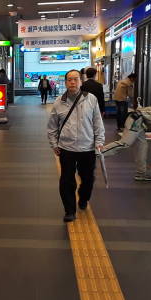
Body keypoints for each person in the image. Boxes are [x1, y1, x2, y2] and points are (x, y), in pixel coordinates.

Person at [47, 70, 105, 222]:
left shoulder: (91, 99)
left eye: (75, 79)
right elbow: (52, 126)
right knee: (67, 180)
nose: (72, 82)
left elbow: (98, 123)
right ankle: (69, 210)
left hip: (88, 147)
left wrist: (99, 142)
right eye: (69, 80)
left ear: (81, 81)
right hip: (66, 148)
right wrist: (54, 144)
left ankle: (84, 198)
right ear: (65, 82)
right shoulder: (59, 102)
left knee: (88, 179)